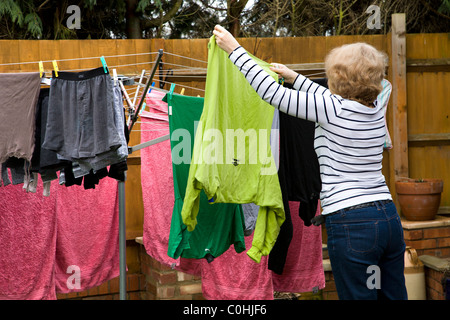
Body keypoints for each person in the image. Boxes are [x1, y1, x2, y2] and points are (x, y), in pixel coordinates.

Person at [213, 24, 407, 300]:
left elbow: (272, 94)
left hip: (353, 223)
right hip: (387, 218)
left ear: (339, 80)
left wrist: (234, 49)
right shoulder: (374, 109)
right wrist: (294, 77)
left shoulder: (333, 109)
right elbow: (326, 98)